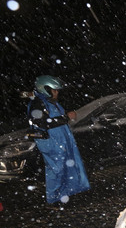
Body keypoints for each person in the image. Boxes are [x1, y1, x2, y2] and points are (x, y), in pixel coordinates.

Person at [28, 75, 90, 204]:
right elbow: (40, 122)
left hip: (61, 141)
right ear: (45, 89)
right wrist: (66, 117)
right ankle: (54, 199)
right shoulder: (38, 103)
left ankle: (66, 194)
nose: (57, 93)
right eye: (54, 90)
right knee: (56, 170)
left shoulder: (50, 102)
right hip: (51, 142)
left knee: (68, 167)